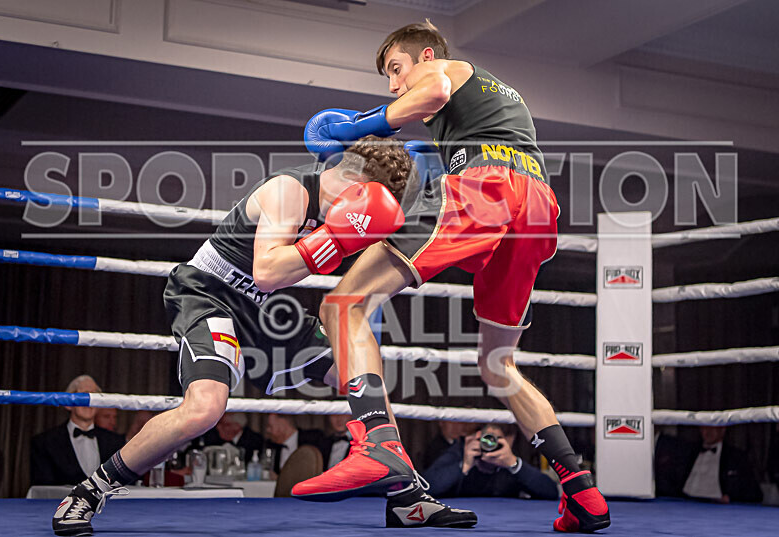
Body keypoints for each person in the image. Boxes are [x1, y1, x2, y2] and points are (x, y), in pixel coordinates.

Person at [51, 136, 472, 535]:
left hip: (262, 309)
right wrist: (336, 238)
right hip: (209, 293)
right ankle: (89, 491)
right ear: (361, 187)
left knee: (360, 372)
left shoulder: (339, 209)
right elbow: (267, 272)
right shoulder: (289, 191)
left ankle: (406, 498)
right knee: (204, 409)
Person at [292, 21, 610, 532]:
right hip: (536, 208)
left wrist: (360, 125)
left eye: (396, 69)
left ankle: (377, 444)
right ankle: (580, 488)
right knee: (498, 366)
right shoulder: (493, 98)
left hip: (488, 188)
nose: (395, 84)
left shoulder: (446, 69)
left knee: (342, 305)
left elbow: (434, 89)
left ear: (424, 55)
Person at [31, 376, 125, 487]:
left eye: (94, 395)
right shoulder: (44, 443)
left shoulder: (116, 442)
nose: (89, 401)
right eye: (84, 395)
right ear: (68, 404)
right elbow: (43, 490)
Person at [423, 423, 558, 500]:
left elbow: (551, 492)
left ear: (510, 439)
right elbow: (426, 488)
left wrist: (514, 464)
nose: (490, 444)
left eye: (496, 439)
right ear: (477, 437)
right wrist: (465, 465)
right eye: (486, 439)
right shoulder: (462, 450)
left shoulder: (510, 458)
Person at [656, 426, 762, 504]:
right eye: (704, 427)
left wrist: (731, 498)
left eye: (713, 428)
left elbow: (754, 493)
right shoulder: (687, 452)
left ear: (723, 429)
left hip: (718, 508)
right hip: (685, 503)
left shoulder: (736, 457)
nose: (708, 431)